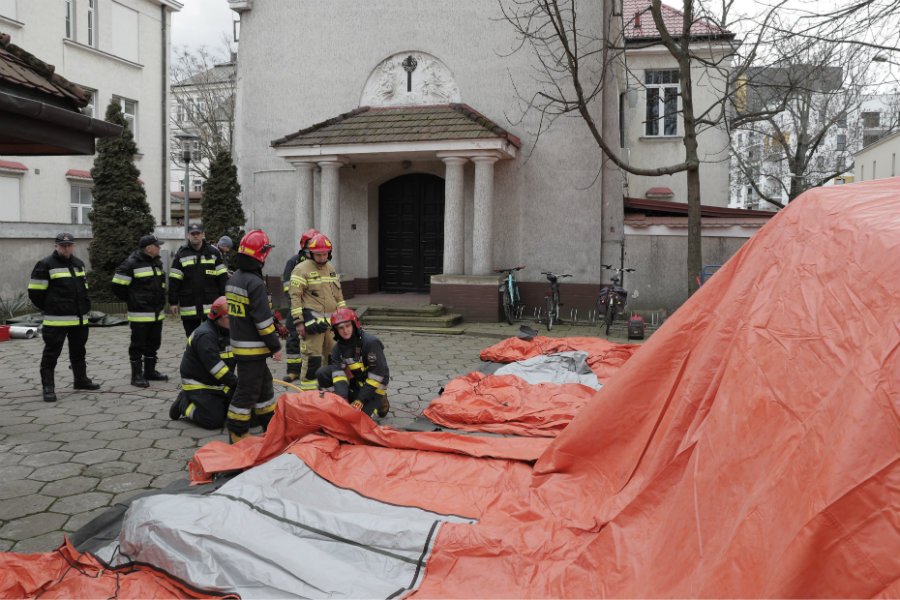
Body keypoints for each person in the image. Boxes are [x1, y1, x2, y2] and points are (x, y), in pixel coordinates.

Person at [225, 229, 283, 444]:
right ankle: (237, 432)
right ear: (261, 254)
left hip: (242, 345)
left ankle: (269, 424)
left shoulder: (235, 279)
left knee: (265, 384)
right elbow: (262, 322)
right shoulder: (255, 283)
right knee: (247, 392)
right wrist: (275, 345)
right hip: (253, 348)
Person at [27, 232, 99, 402]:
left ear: (73, 246)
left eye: (69, 245)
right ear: (56, 246)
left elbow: (84, 290)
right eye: (63, 245)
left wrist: (85, 307)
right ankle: (48, 387)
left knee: (79, 352)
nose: (66, 248)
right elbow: (35, 292)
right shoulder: (45, 264)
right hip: (56, 320)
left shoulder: (78, 264)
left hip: (79, 320)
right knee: (51, 354)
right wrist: (51, 307)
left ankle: (80, 380)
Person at [288, 232, 346, 392]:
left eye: (325, 254)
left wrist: (344, 316)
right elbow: (295, 297)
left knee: (333, 358)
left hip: (332, 326)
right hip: (312, 325)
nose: (322, 257)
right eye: (318, 254)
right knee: (312, 359)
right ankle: (308, 394)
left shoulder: (331, 268)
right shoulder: (300, 269)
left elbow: (338, 295)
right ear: (311, 253)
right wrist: (299, 322)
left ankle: (330, 390)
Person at [169, 296, 236, 428]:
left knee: (243, 413)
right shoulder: (205, 336)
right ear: (217, 317)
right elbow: (216, 368)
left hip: (219, 383)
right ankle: (184, 404)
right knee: (213, 421)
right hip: (199, 384)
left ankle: (216, 403)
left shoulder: (229, 331)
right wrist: (236, 383)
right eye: (230, 317)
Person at [112, 234, 168, 388]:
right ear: (149, 248)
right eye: (157, 245)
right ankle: (136, 375)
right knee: (138, 345)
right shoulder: (131, 263)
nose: (159, 248)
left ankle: (150, 371)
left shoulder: (157, 262)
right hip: (140, 314)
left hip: (157, 313)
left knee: (154, 343)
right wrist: (132, 299)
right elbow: (117, 285)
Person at [316, 308, 390, 418]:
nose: (345, 331)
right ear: (335, 330)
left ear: (354, 324)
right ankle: (339, 400)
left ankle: (381, 401)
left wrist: (360, 399)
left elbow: (377, 376)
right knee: (323, 372)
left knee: (358, 419)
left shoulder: (370, 343)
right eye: (340, 328)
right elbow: (338, 377)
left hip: (375, 387)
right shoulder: (337, 349)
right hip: (356, 383)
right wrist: (342, 400)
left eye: (347, 326)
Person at [169, 223, 228, 336]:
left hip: (211, 305)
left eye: (198, 233)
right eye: (193, 234)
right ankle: (194, 354)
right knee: (192, 338)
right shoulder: (181, 254)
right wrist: (173, 302)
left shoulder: (213, 253)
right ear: (188, 235)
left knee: (214, 336)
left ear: (203, 235)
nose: (195, 236)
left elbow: (222, 278)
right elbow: (174, 280)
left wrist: (224, 298)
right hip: (189, 305)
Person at [281, 228, 319, 383]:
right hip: (296, 308)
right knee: (293, 339)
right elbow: (287, 287)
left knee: (315, 339)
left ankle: (313, 370)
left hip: (315, 309)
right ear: (304, 244)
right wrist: (296, 308)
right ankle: (293, 371)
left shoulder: (321, 262)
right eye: (311, 243)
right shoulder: (294, 262)